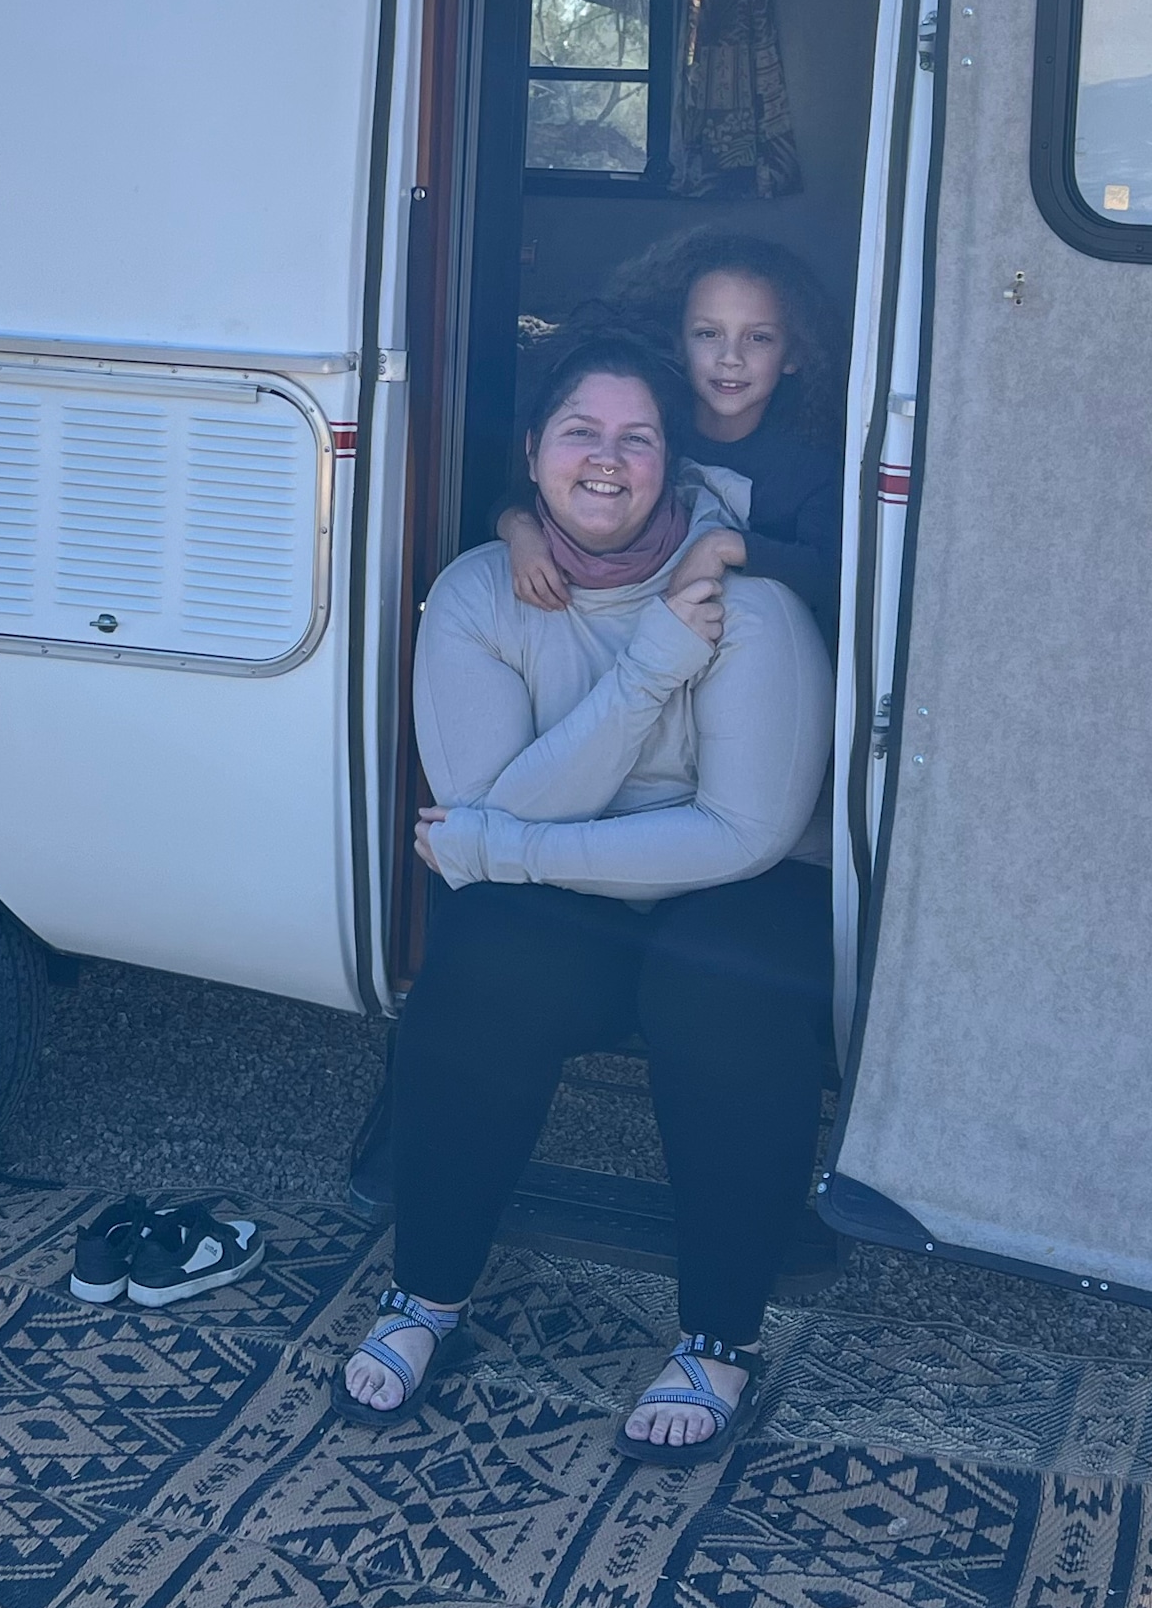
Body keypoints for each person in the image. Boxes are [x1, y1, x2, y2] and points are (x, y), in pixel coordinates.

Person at [343, 328, 837, 1460]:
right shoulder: (476, 595)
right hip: (580, 878)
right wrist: (653, 665)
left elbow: (740, 833)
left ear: (676, 468)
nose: (606, 459)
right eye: (580, 431)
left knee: (723, 993)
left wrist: (507, 849)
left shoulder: (748, 607)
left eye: (637, 438)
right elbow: (492, 800)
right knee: (475, 979)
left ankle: (718, 1332)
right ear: (532, 453)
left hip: (735, 885)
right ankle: (427, 1295)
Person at [500, 234, 846, 640]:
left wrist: (722, 546)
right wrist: (519, 530)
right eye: (707, 334)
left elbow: (833, 574)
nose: (730, 358)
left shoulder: (810, 466)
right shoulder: (646, 431)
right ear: (678, 343)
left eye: (758, 338)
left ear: (794, 354)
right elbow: (534, 492)